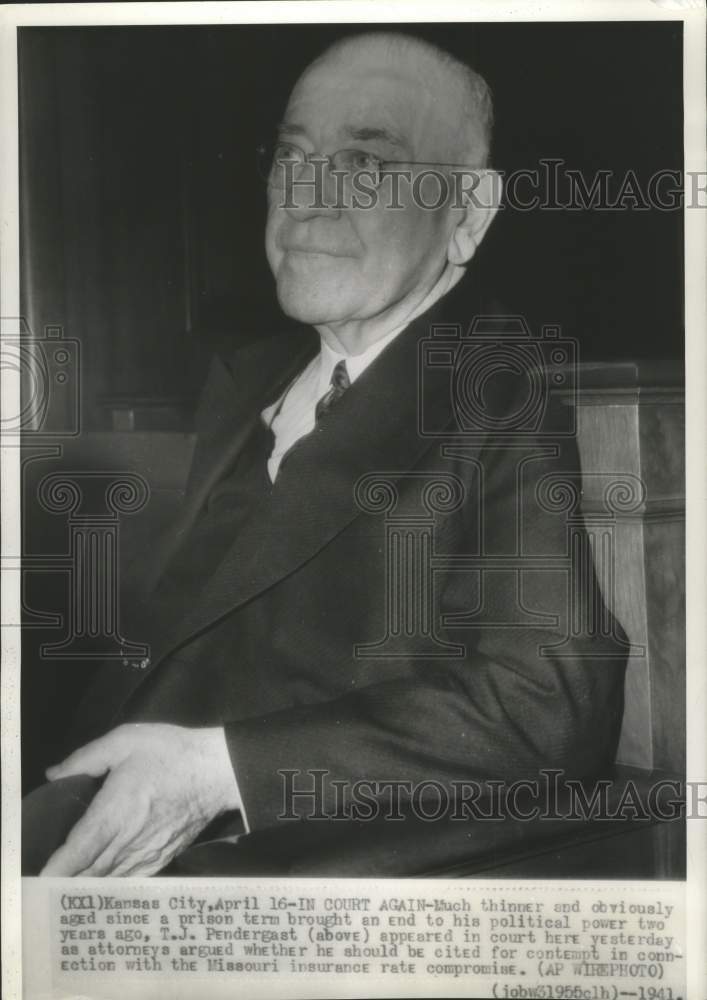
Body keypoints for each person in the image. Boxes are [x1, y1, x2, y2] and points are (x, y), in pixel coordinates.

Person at [32, 31, 626, 877]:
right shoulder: (247, 383)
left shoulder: (495, 389)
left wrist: (215, 774)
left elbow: (550, 707)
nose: (305, 197)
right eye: (291, 154)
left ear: (465, 214)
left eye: (364, 163)